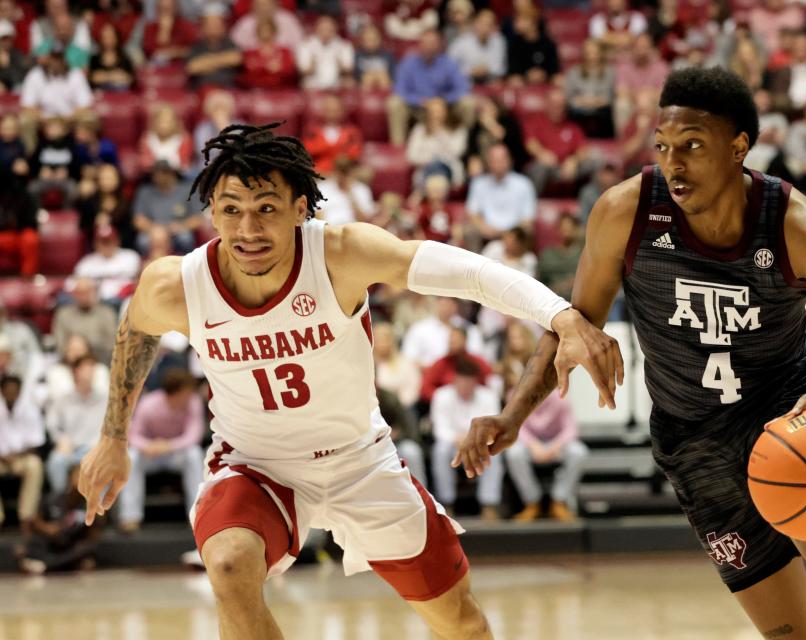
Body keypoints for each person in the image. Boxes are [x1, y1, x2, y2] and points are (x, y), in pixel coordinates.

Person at [78, 122, 620, 640]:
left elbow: (468, 273)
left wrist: (561, 316)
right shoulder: (177, 283)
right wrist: (113, 436)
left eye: (266, 209)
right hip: (254, 463)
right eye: (231, 210)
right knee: (227, 563)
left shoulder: (339, 254)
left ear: (300, 209)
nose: (248, 229)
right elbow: (135, 334)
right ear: (212, 213)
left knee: (462, 623)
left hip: (361, 462)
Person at [455, 67, 806, 640]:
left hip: (785, 413)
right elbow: (574, 325)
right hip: (693, 440)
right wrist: (512, 417)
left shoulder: (796, 224)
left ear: (739, 148)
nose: (673, 164)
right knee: (794, 634)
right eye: (663, 147)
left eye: (692, 146)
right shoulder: (625, 212)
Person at [117, 368, 204, 532]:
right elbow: (133, 435)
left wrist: (169, 445)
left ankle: (198, 515)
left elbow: (194, 436)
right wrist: (148, 446)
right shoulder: (149, 404)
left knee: (194, 454)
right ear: (175, 393)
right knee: (131, 457)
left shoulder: (193, 402)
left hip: (175, 453)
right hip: (152, 455)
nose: (190, 395)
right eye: (186, 392)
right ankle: (130, 517)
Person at [430, 357, 503, 520]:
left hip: (479, 445)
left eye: (469, 382)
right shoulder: (441, 395)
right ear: (455, 379)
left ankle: (489, 505)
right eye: (462, 381)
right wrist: (459, 439)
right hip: (452, 445)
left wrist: (472, 440)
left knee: (495, 452)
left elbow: (492, 427)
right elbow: (440, 429)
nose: (465, 386)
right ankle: (446, 504)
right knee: (440, 450)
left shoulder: (488, 396)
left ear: (475, 381)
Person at [505, 389, 587, 522]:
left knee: (579, 452)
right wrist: (533, 445)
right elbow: (515, 426)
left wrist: (554, 447)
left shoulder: (561, 394)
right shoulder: (516, 394)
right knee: (514, 453)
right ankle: (532, 502)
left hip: (555, 444)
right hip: (529, 444)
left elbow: (571, 429)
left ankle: (559, 501)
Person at [45, 354, 107, 499]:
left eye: (92, 368)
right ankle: (61, 504)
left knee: (106, 462)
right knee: (55, 461)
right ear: (75, 371)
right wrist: (60, 439)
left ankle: (101, 510)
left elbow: (114, 427)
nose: (90, 372)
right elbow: (52, 424)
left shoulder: (105, 398)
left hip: (96, 449)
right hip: (71, 449)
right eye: (86, 368)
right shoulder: (63, 399)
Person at [0, 374, 45, 536]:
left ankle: (27, 518)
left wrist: (15, 455)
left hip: (22, 458)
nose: (11, 393)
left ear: (19, 392)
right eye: (7, 390)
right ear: (2, 391)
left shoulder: (30, 410)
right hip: (1, 460)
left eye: (14, 390)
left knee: (35, 465)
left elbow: (37, 443)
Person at [465, 144, 535, 244]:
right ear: (488, 162)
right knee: (470, 231)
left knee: (527, 231)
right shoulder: (478, 183)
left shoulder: (523, 184)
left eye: (501, 160)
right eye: (494, 160)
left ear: (509, 161)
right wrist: (484, 228)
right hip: (486, 231)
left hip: (514, 232)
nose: (497, 164)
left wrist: (510, 233)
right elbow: (473, 213)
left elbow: (528, 218)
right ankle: (474, 260)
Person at [52, 277, 118, 365]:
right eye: (80, 293)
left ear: (94, 292)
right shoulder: (63, 314)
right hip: (71, 363)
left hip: (100, 362)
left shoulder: (107, 313)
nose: (83, 296)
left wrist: (86, 349)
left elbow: (112, 342)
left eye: (87, 292)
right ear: (74, 294)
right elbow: (60, 343)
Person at [185, 5, 242, 89]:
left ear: (223, 27)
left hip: (228, 88)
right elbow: (192, 67)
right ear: (203, 28)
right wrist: (223, 60)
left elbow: (236, 59)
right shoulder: (197, 46)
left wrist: (207, 62)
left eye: (217, 25)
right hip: (203, 88)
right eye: (210, 25)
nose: (214, 28)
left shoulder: (229, 43)